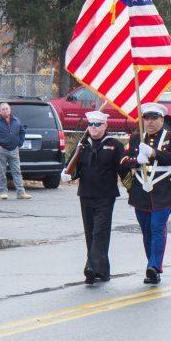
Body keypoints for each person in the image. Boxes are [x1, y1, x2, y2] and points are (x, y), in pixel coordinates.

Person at [120, 103, 171, 285]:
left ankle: (154, 266)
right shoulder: (135, 138)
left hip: (164, 191)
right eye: (147, 118)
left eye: (154, 118)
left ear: (162, 120)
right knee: (146, 231)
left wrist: (154, 153)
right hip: (141, 191)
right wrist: (135, 160)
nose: (150, 122)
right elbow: (123, 160)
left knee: (157, 227)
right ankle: (152, 266)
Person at [61, 110, 124, 284]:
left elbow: (123, 170)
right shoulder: (83, 145)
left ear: (105, 125)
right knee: (90, 233)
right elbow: (73, 167)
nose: (93, 128)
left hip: (105, 196)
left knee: (100, 233)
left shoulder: (114, 145)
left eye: (97, 124)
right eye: (91, 124)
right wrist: (68, 175)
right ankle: (102, 271)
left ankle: (91, 267)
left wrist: (134, 189)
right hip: (86, 195)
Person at [0, 102, 29, 200]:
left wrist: (19, 143)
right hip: (1, 150)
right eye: (3, 109)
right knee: (1, 172)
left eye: (7, 109)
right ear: (0, 111)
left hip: (14, 150)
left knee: (17, 171)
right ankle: (3, 192)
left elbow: (22, 132)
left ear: (10, 110)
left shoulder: (16, 120)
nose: (6, 110)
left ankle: (21, 193)